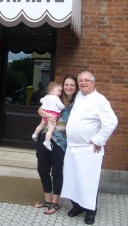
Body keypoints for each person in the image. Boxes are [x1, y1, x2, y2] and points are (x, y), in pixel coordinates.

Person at [61, 71, 118, 225]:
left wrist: (99, 140)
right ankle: (77, 206)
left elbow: (111, 121)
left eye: (87, 80)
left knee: (88, 181)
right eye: (81, 80)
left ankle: (90, 211)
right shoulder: (79, 96)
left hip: (89, 149)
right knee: (73, 179)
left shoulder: (100, 100)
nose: (83, 82)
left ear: (93, 83)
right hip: (73, 148)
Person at [34, 75, 78, 214]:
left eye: (72, 84)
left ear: (75, 87)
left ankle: (55, 202)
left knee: (57, 171)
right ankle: (47, 199)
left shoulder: (78, 103)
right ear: (63, 86)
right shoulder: (56, 98)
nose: (69, 87)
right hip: (45, 137)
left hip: (61, 141)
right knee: (42, 169)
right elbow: (41, 109)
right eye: (67, 84)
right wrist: (44, 113)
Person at [32, 81, 66, 151]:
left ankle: (35, 134)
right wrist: (64, 106)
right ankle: (47, 141)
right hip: (52, 115)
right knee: (50, 129)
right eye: (58, 91)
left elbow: (41, 100)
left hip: (45, 114)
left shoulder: (46, 97)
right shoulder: (56, 98)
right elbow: (60, 106)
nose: (60, 93)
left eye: (60, 91)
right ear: (51, 90)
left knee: (41, 125)